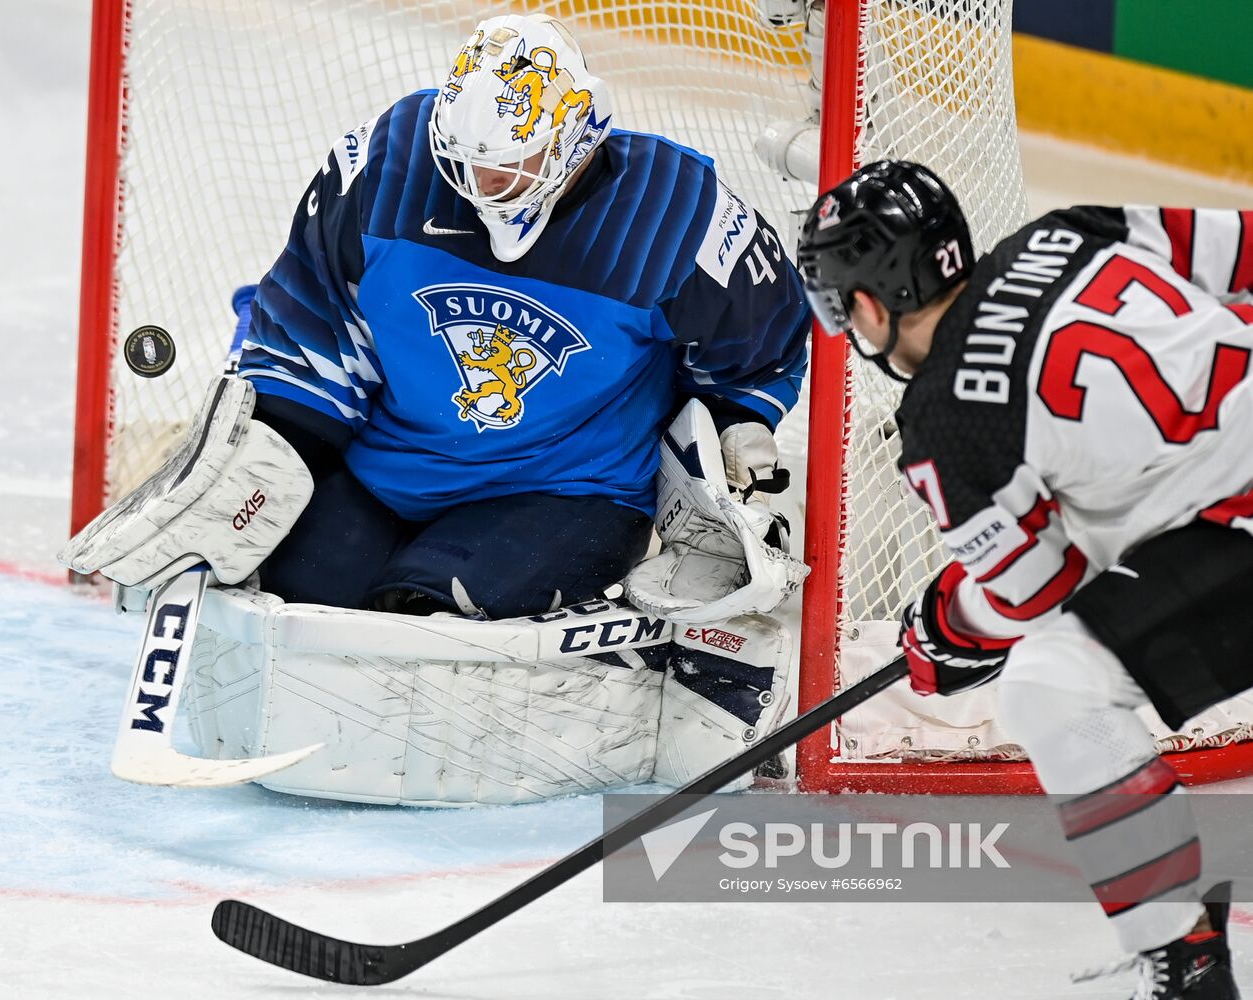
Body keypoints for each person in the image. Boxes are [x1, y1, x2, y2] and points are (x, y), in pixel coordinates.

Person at [796, 160, 1253, 998]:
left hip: (1238, 533)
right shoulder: (1067, 228)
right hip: (1226, 504)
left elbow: (1034, 592)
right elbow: (1240, 247)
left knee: (1052, 685)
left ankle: (1182, 957)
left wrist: (945, 625)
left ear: (866, 305)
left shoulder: (940, 416)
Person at [229, 11, 811, 620]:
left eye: (512, 161)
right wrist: (269, 449)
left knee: (426, 625)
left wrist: (735, 420)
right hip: (386, 473)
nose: (485, 181)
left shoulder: (676, 211)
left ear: (574, 138)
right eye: (467, 160)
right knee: (275, 595)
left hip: (568, 491)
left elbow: (763, 344)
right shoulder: (388, 161)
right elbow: (312, 316)